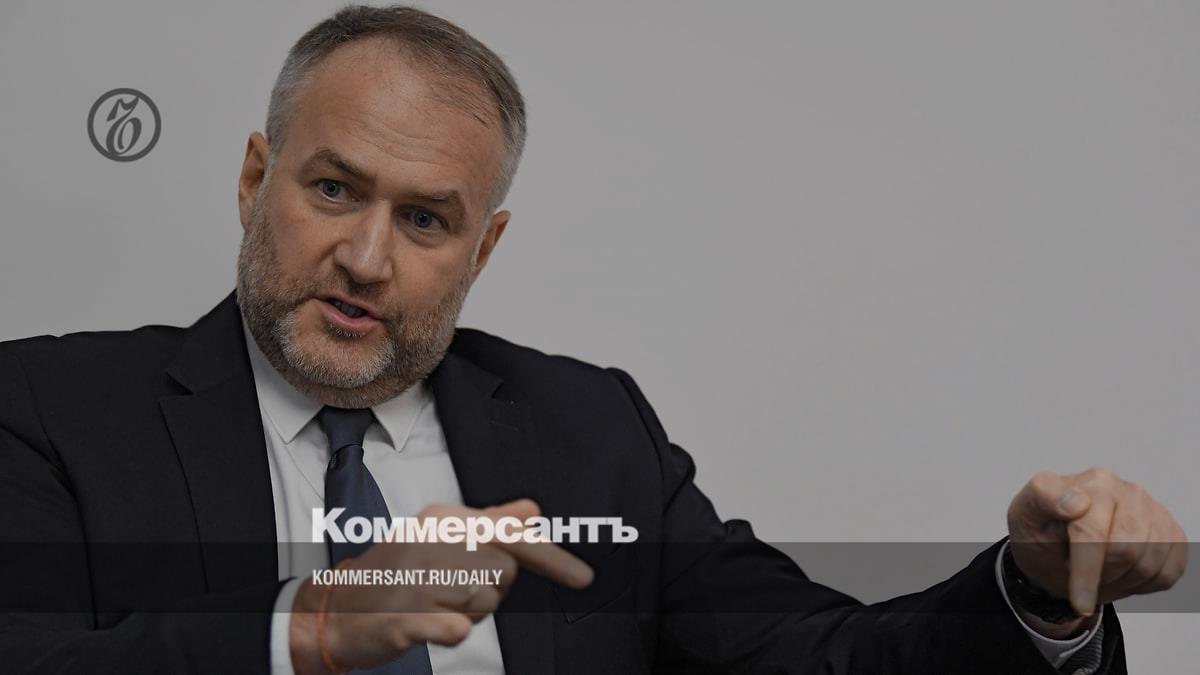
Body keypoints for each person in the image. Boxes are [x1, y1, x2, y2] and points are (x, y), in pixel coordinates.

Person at [0, 5, 1186, 674]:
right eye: (332, 189)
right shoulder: (50, 408)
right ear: (255, 179)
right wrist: (309, 625)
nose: (367, 257)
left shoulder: (589, 432)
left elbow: (816, 658)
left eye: (426, 221)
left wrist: (1037, 591)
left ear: (484, 250)